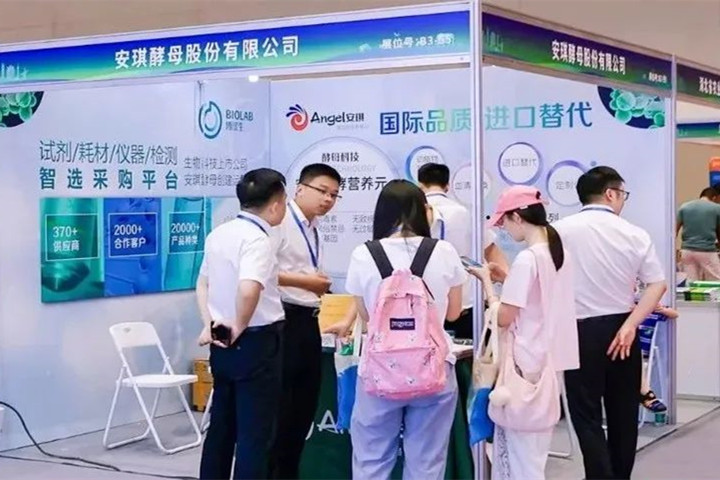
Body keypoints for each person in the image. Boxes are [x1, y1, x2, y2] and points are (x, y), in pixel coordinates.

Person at [345, 179, 466, 480]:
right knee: (427, 462)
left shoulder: (364, 253)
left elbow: (366, 316)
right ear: (424, 211)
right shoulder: (444, 251)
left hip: (379, 371)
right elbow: (453, 313)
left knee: (371, 459)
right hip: (434, 370)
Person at [554, 166, 667, 480]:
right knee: (623, 413)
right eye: (623, 195)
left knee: (585, 413)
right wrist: (631, 324)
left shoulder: (559, 231)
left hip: (579, 331)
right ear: (610, 193)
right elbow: (657, 284)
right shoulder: (634, 233)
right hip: (623, 329)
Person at [467, 185, 579, 480]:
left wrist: (487, 284)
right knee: (530, 457)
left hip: (522, 366)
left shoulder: (528, 258)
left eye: (504, 220)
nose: (503, 228)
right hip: (546, 363)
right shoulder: (558, 254)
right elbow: (538, 301)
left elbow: (504, 317)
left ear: (517, 217)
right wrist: (507, 278)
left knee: (519, 459)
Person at [196, 168, 287, 480]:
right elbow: (249, 289)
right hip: (256, 341)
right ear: (275, 204)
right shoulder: (257, 240)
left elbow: (202, 284)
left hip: (221, 339)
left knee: (221, 426)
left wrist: (209, 324)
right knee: (254, 432)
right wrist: (240, 324)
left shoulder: (219, 234)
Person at [269, 163, 344, 479]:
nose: (328, 199)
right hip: (284, 319)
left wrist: (315, 284)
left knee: (302, 411)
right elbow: (262, 271)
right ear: (300, 188)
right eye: (322, 191)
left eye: (334, 195)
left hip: (308, 321)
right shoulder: (281, 222)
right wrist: (307, 282)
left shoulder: (313, 227)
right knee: (281, 412)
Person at [417, 162, 509, 339]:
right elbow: (490, 249)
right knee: (469, 354)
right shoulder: (465, 213)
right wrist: (508, 282)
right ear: (447, 186)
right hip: (465, 306)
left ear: (419, 185)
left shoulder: (414, 215)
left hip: (425, 307)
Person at [676, 186, 720, 281]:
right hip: (707, 251)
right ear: (714, 198)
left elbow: (674, 230)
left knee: (691, 283)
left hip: (687, 251)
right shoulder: (716, 208)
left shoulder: (684, 207)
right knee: (716, 280)